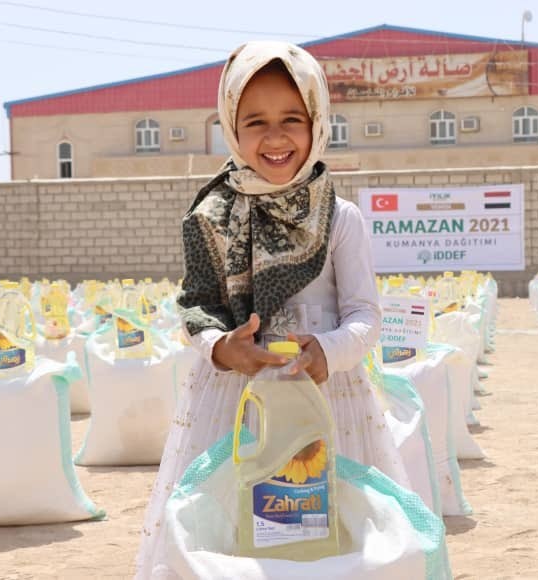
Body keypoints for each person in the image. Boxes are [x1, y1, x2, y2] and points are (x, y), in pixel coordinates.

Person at [135, 41, 409, 578]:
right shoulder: (210, 217)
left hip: (327, 398)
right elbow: (197, 305)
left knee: (330, 529)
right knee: (235, 530)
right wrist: (221, 348)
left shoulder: (340, 217)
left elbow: (365, 314)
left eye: (291, 119)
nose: (275, 137)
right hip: (236, 402)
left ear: (318, 122)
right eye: (255, 122)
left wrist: (327, 351)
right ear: (231, 129)